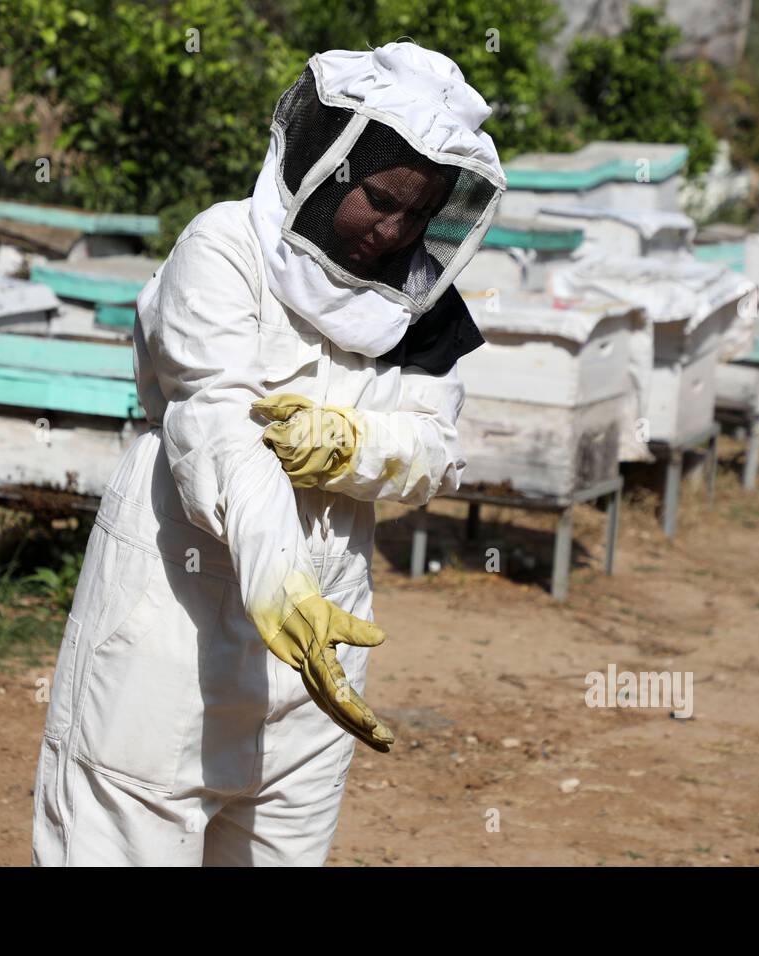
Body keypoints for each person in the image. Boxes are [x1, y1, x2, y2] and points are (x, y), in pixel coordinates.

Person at [32, 40, 505, 866]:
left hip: (317, 660)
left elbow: (435, 450)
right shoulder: (223, 248)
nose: (393, 231)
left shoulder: (416, 303)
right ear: (330, 160)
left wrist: (350, 445)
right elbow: (215, 419)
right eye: (380, 199)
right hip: (170, 624)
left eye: (418, 213)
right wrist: (275, 573)